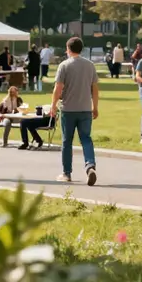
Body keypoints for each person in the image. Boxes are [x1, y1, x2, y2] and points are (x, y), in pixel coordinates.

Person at [50, 37, 99, 185]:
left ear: (68, 49)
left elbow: (58, 88)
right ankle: (90, 165)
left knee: (67, 141)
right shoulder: (90, 65)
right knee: (86, 138)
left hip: (68, 109)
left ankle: (67, 173)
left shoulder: (64, 65)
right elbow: (94, 89)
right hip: (85, 108)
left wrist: (53, 105)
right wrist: (95, 107)